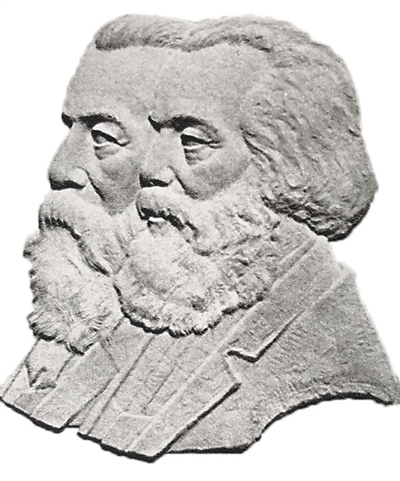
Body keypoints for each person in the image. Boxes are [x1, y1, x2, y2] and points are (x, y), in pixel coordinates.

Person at [1, 15, 399, 461]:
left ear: (285, 166)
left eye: (191, 141)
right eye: (157, 132)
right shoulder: (151, 287)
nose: (150, 169)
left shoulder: (321, 338)